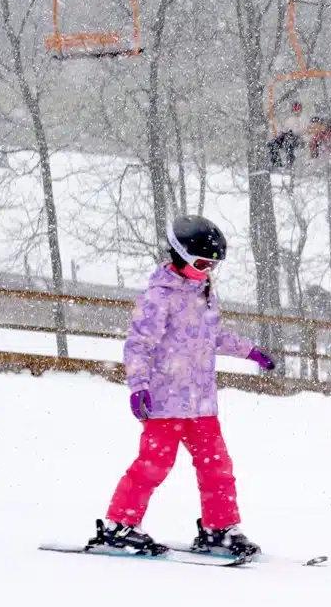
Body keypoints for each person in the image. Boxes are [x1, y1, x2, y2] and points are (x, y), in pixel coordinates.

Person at [87, 214, 278, 559]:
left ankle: (219, 529)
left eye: (213, 265)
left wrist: (249, 350)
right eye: (202, 263)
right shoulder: (159, 296)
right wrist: (138, 386)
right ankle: (120, 525)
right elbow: (139, 344)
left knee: (217, 466)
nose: (208, 271)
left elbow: (212, 336)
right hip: (165, 401)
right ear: (180, 255)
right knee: (153, 464)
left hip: (201, 402)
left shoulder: (205, 293)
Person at [268, 101, 305, 170]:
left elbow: (303, 131)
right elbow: (285, 128)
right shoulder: (289, 118)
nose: (296, 111)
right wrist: (283, 132)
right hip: (286, 136)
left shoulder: (302, 119)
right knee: (272, 143)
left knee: (289, 143)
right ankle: (277, 164)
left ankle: (290, 164)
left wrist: (293, 132)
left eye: (297, 109)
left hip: (297, 139)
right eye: (295, 109)